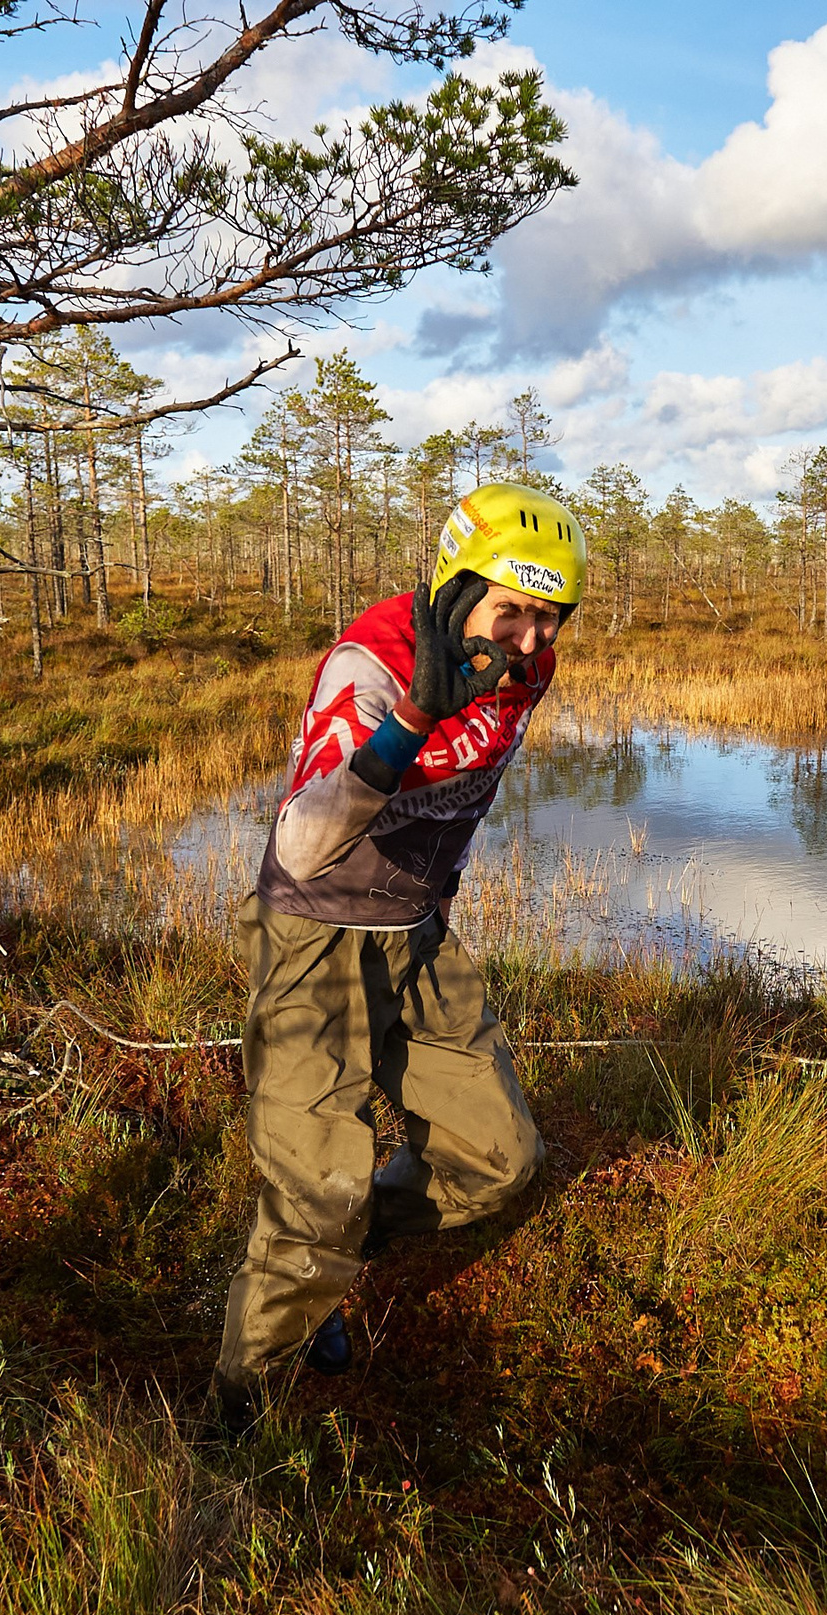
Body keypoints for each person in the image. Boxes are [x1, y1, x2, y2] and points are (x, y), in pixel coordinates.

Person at [214, 482, 588, 1434]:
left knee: (501, 1159)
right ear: (456, 591)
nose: (530, 641)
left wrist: (439, 894)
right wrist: (413, 718)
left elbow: (470, 793)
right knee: (318, 1193)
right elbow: (302, 844)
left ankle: (332, 1258)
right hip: (316, 939)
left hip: (416, 931)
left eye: (552, 619)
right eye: (514, 612)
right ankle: (239, 1407)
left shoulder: (526, 667)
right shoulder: (371, 664)